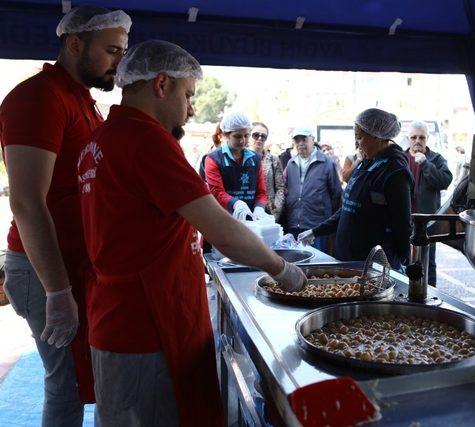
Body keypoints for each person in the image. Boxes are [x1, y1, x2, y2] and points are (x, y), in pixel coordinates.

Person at [77, 40, 306, 426]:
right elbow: (223, 231)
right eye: (187, 95)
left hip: (116, 318)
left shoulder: (100, 140)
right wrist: (282, 269)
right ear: (162, 85)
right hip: (148, 328)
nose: (191, 109)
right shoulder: (146, 140)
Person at [0, 7, 130, 426]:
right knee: (68, 385)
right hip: (45, 269)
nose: (119, 62)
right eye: (111, 51)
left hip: (74, 265)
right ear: (75, 44)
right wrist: (57, 291)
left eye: (122, 52)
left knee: (81, 381)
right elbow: (26, 201)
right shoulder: (38, 98)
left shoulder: (81, 100)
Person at [298, 108, 413, 269]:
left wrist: (404, 260)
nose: (356, 143)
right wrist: (315, 231)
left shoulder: (395, 172)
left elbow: (402, 223)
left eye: (359, 137)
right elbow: (348, 208)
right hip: (348, 261)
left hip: (373, 267)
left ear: (377, 136)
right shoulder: (365, 164)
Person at [406, 120, 453, 285]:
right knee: (405, 259)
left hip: (427, 222)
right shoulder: (401, 158)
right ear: (408, 138)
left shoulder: (436, 159)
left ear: (427, 139)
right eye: (413, 137)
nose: (417, 141)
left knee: (427, 261)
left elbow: (444, 181)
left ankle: (429, 295)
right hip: (404, 220)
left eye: (421, 137)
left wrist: (426, 164)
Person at [284, 126, 342, 252]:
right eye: (297, 140)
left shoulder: (327, 162)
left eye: (304, 139)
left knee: (316, 264)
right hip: (293, 223)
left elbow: (336, 194)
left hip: (316, 226)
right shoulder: (291, 163)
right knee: (295, 263)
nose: (300, 143)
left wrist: (331, 225)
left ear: (312, 139)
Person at [204, 111, 269, 221]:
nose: (243, 140)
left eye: (246, 135)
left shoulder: (255, 159)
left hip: (251, 218)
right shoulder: (213, 159)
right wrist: (235, 203)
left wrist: (259, 207)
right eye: (237, 136)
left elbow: (261, 192)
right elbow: (217, 191)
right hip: (224, 219)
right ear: (226, 135)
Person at [249, 122, 285, 221]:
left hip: (268, 211)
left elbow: (280, 188)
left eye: (263, 136)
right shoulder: (241, 158)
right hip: (247, 209)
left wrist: (275, 212)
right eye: (256, 135)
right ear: (249, 135)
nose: (259, 138)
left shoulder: (274, 159)